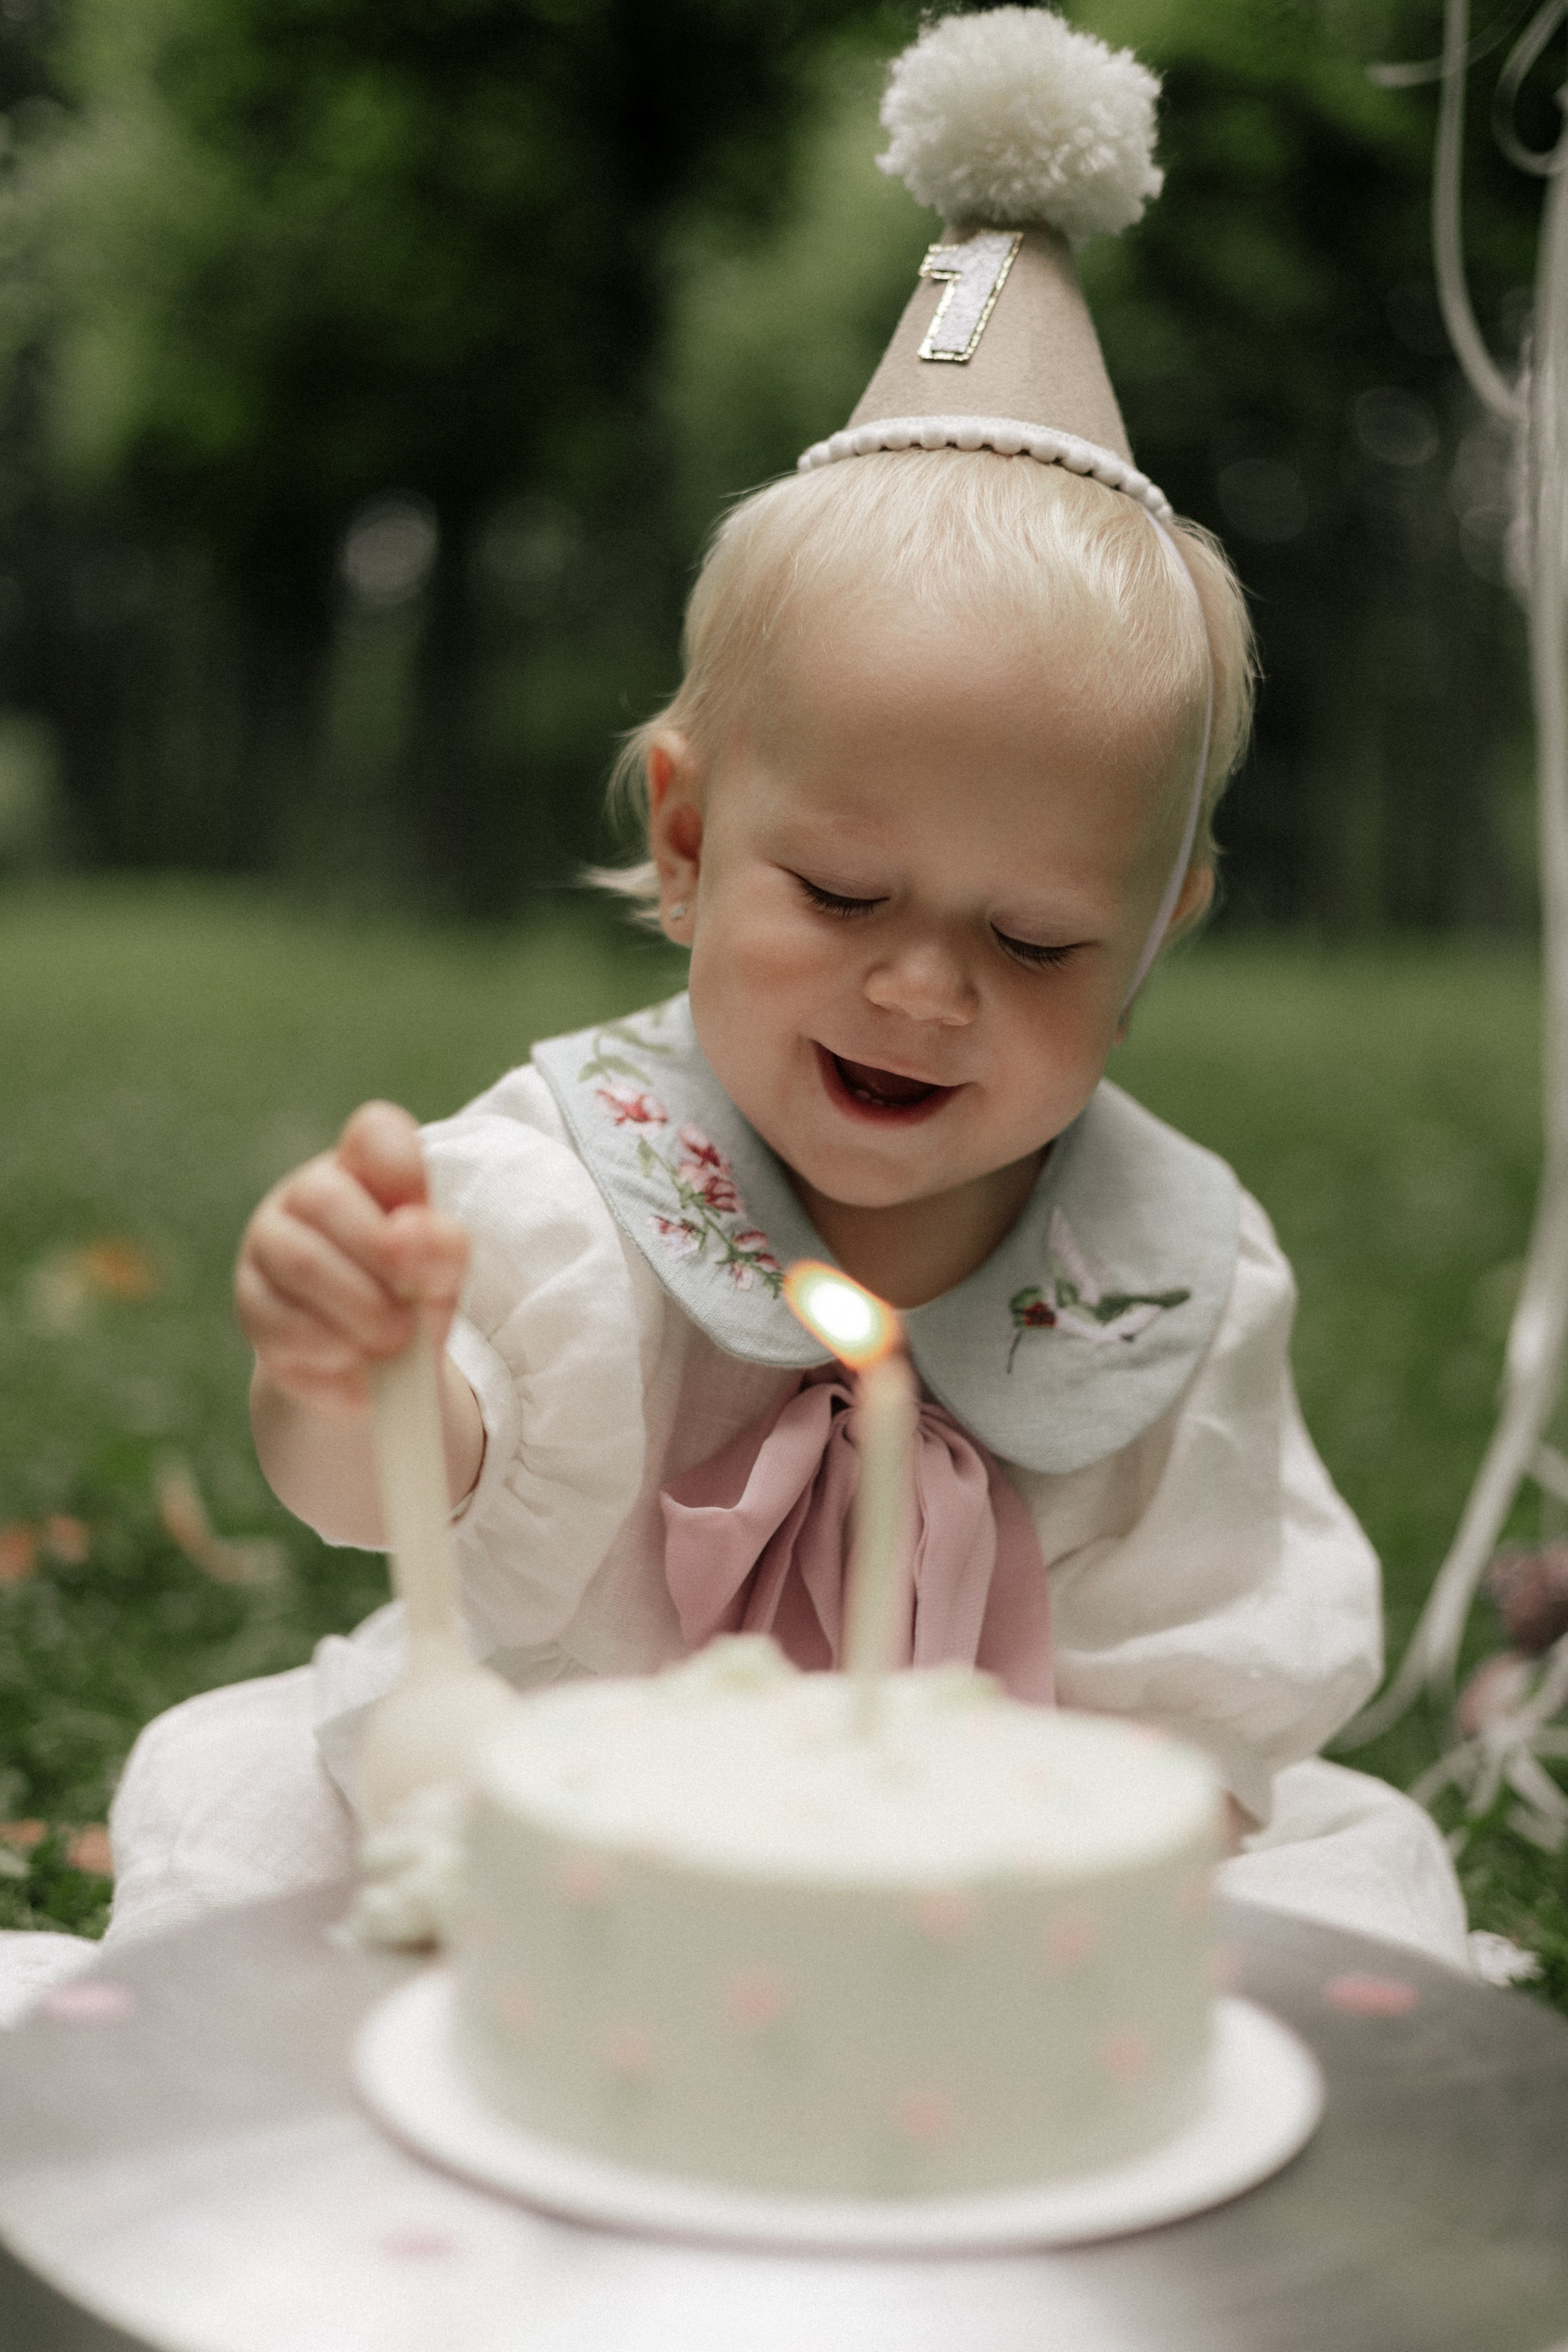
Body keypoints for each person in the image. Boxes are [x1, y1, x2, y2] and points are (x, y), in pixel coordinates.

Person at [4, 7, 1472, 2009]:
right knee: (264, 1809)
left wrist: (1069, 1915)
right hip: (560, 1823)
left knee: (1355, 1888)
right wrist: (350, 1370)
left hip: (991, 1898)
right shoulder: (571, 1181)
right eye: (844, 895)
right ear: (689, 841)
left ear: (1157, 939)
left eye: (1043, 942)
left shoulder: (1169, 1275)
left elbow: (1200, 1683)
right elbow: (403, 1506)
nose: (924, 989)